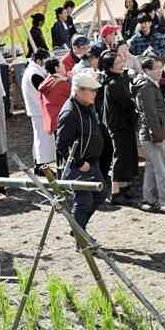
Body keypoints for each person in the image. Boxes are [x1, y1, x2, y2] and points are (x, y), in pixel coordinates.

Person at [56, 72, 105, 232]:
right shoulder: (70, 113)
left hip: (92, 161)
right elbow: (62, 144)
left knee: (100, 194)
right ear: (78, 91)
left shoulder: (88, 106)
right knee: (84, 201)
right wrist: (79, 162)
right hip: (79, 165)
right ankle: (80, 236)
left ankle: (78, 228)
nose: (95, 93)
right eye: (91, 90)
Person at [101, 50, 139, 206]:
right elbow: (126, 102)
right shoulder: (112, 83)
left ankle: (125, 187)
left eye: (121, 61)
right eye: (117, 63)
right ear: (110, 67)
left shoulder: (121, 77)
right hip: (118, 125)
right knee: (120, 156)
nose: (121, 64)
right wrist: (135, 96)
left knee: (128, 155)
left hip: (126, 123)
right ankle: (115, 192)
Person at [133, 56, 165, 212]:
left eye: (160, 67)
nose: (160, 71)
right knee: (161, 168)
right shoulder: (147, 87)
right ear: (147, 70)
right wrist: (158, 136)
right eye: (156, 68)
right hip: (152, 134)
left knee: (151, 167)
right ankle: (164, 201)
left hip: (149, 133)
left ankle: (148, 199)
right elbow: (150, 114)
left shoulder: (147, 84)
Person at [22, 49, 55, 171]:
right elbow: (46, 89)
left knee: (39, 138)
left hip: (37, 109)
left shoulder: (33, 70)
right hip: (38, 110)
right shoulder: (34, 73)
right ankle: (42, 166)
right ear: (39, 60)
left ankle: (39, 164)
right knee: (43, 139)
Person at [38, 58, 71, 138]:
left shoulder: (46, 82)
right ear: (57, 68)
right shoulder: (61, 83)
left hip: (53, 120)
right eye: (62, 65)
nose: (64, 67)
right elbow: (74, 94)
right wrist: (69, 80)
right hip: (64, 119)